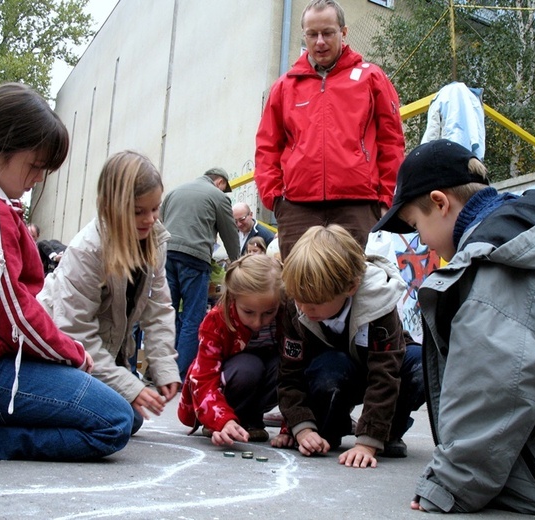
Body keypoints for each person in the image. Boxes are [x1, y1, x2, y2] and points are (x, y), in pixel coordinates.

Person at [0, 82, 133, 460]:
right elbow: (10, 312)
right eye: (34, 166)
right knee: (115, 421)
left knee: (127, 414)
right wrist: (72, 354)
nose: (37, 179)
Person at [372, 139, 535, 514]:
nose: (421, 240)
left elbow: (497, 384)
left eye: (416, 226)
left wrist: (451, 484)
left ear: (440, 203)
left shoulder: (497, 264)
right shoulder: (529, 231)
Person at [38, 150, 181, 435]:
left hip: (106, 356)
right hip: (60, 357)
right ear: (111, 208)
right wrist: (127, 385)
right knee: (120, 420)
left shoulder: (154, 240)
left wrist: (163, 365)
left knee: (130, 416)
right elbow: (74, 334)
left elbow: (160, 306)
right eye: (138, 211)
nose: (150, 219)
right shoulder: (87, 250)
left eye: (155, 208)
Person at [254, 0, 404, 260]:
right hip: (297, 208)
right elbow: (267, 146)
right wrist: (275, 199)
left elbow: (392, 141)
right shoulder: (284, 87)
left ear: (343, 33)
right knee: (300, 292)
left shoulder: (371, 78)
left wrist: (385, 200)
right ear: (304, 35)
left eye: (328, 33)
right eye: (312, 34)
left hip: (358, 204)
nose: (320, 42)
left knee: (361, 288)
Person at [276, 224, 424, 467]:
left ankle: (388, 432)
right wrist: (301, 427)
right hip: (337, 370)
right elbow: (289, 374)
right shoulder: (298, 306)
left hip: (377, 367)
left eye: (315, 303)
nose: (304, 309)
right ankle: (329, 427)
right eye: (299, 300)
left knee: (420, 366)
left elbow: (385, 375)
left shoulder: (378, 303)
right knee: (329, 369)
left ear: (351, 288)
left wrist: (368, 441)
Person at [178, 254, 284, 445]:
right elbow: (203, 379)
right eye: (249, 312)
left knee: (283, 366)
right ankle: (224, 420)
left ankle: (251, 419)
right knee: (248, 367)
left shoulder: (286, 317)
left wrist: (292, 428)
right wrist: (221, 419)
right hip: (226, 387)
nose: (258, 322)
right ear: (233, 298)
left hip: (263, 381)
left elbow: (296, 373)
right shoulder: (216, 321)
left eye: (269, 312)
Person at [161, 167, 240, 381]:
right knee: (192, 316)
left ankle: (160, 371)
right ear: (221, 182)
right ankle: (180, 374)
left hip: (166, 254)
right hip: (194, 257)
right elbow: (230, 233)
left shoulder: (175, 192)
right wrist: (239, 262)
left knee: (165, 313)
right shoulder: (217, 196)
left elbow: (158, 224)